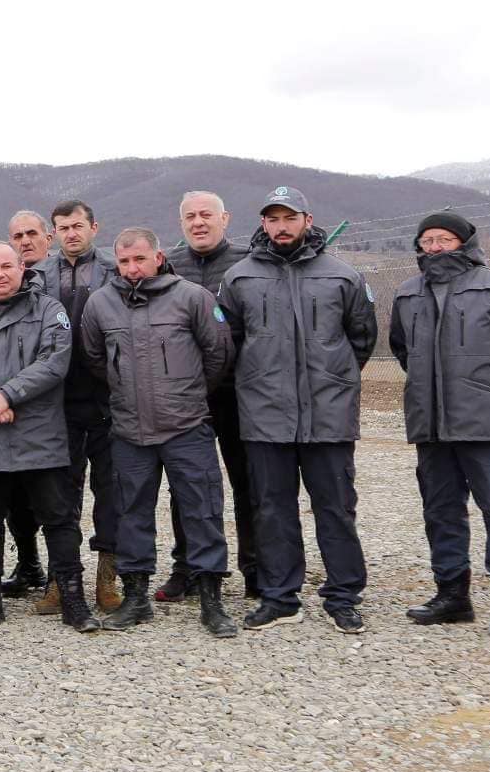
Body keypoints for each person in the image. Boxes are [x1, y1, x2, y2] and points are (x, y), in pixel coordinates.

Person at [218, 186, 376, 634]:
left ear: (308, 220)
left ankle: (343, 596)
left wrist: (333, 379)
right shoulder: (240, 277)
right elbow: (229, 343)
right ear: (263, 223)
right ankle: (280, 597)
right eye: (273, 219)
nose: (281, 226)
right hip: (266, 417)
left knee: (336, 508)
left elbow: (361, 340)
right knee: (272, 510)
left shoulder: (343, 275)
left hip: (328, 416)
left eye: (290, 218)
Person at [390, 212, 490, 638]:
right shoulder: (407, 293)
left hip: (484, 426)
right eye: (427, 240)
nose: (435, 247)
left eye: (444, 239)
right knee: (440, 511)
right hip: (430, 425)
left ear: (464, 242)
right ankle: (452, 596)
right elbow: (402, 350)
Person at [77, 230, 237, 637]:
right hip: (129, 430)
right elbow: (94, 358)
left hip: (187, 427)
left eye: (140, 259)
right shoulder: (100, 304)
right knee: (131, 513)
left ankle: (211, 600)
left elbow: (218, 354)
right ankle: (136, 598)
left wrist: (185, 394)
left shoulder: (192, 297)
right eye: (124, 262)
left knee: (202, 510)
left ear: (158, 257)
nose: (132, 269)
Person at [0, 242, 99, 634]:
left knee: (59, 519)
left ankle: (72, 598)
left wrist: (7, 396)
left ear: (22, 267)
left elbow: (54, 362)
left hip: (39, 433)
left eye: (7, 266)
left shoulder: (48, 310)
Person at [157, 191, 259, 602]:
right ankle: (188, 568)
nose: (198, 222)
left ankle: (256, 568)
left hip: (238, 393)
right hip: (185, 396)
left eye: (206, 215)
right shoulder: (168, 265)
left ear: (225, 218)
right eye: (190, 216)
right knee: (187, 487)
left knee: (248, 483)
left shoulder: (249, 262)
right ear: (181, 222)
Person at [34, 200, 123, 615]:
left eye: (77, 226)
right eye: (63, 228)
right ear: (54, 234)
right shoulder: (38, 276)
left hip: (108, 398)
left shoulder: (115, 270)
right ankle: (61, 577)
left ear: (94, 227)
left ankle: (108, 576)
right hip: (57, 401)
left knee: (111, 491)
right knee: (60, 495)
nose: (71, 234)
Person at [0, 211, 55, 600]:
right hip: (7, 406)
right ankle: (29, 563)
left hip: (54, 405)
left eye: (32, 233)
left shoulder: (59, 281)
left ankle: (62, 575)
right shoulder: (2, 282)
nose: (25, 240)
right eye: (17, 235)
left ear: (48, 237)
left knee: (55, 497)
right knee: (14, 497)